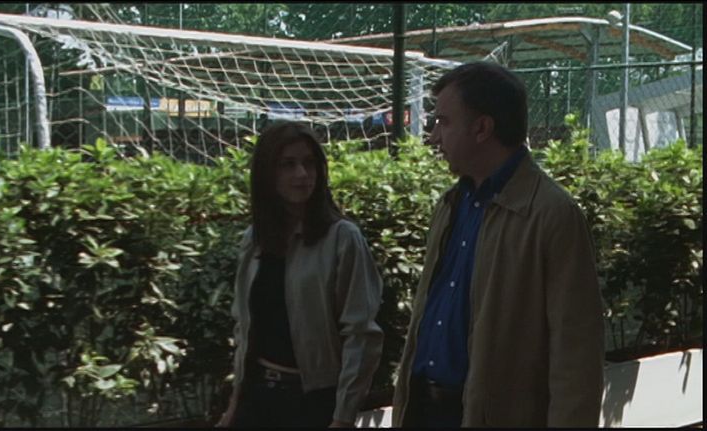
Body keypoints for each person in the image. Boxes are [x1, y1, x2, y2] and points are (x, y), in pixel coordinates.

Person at [392, 62, 605, 428]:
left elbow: (576, 355)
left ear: (482, 128)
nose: (433, 137)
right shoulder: (450, 205)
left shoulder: (552, 214)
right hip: (424, 411)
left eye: (443, 122)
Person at [217, 121, 384, 428]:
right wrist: (234, 404)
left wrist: (343, 416)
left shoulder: (342, 238)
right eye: (288, 165)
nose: (302, 174)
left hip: (313, 402)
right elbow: (245, 327)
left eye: (309, 163)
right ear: (268, 173)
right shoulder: (255, 240)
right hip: (257, 398)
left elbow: (361, 334)